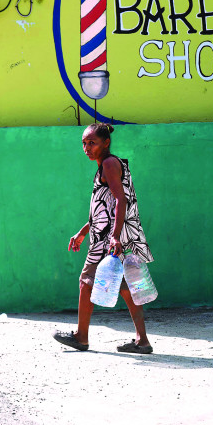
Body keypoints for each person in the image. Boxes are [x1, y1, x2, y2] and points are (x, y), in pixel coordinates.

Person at [53, 123, 155, 354]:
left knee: (86, 281)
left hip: (109, 238)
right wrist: (83, 231)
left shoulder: (109, 164)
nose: (86, 148)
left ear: (106, 143)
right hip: (112, 234)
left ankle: (81, 337)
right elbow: (105, 207)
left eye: (92, 143)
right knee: (127, 287)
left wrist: (114, 237)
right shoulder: (107, 165)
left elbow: (121, 200)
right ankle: (142, 341)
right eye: (84, 143)